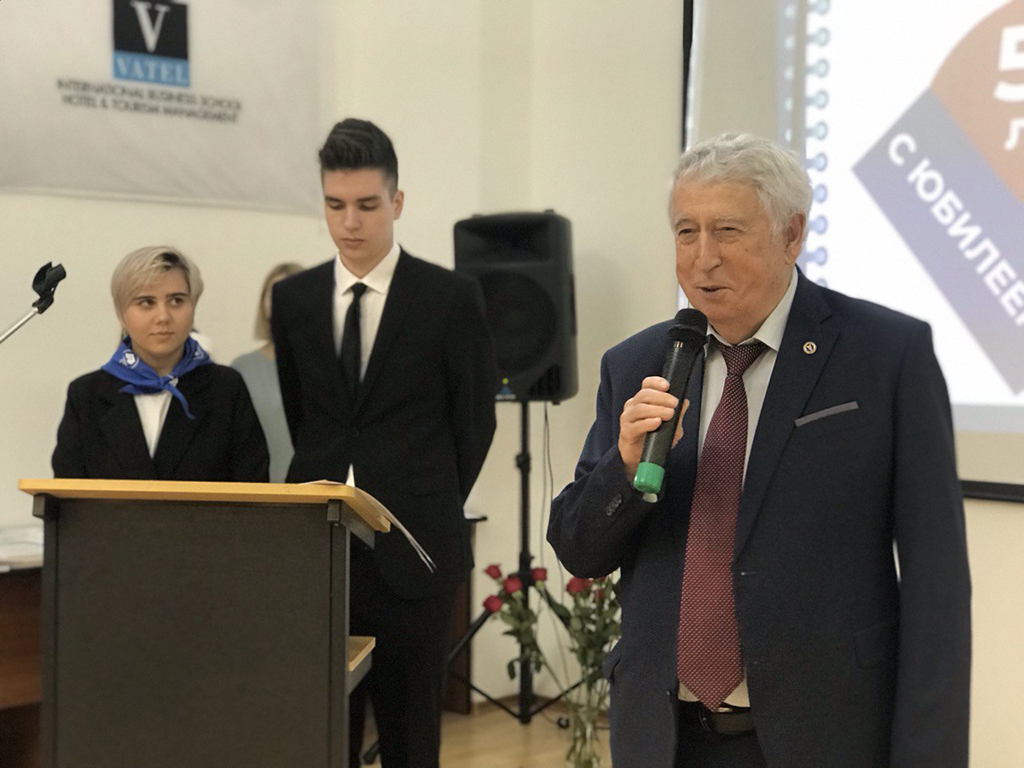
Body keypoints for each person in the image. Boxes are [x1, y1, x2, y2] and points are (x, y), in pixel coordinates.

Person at [548, 134, 970, 768]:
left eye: (727, 231)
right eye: (686, 232)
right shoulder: (639, 364)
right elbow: (580, 551)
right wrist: (625, 468)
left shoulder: (885, 356)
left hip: (824, 734)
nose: (703, 259)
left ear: (791, 234)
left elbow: (938, 586)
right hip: (663, 736)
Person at [271, 118, 497, 768]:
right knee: (322, 738)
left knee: (411, 738)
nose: (350, 222)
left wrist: (422, 491)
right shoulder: (294, 300)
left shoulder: (451, 298)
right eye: (335, 204)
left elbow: (475, 422)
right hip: (317, 549)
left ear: (396, 202)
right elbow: (304, 416)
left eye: (367, 205)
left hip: (415, 546)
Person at [52, 246, 269, 482]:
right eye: (146, 302)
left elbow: (253, 489)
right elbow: (66, 497)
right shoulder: (86, 396)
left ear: (193, 308)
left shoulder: (226, 389)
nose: (163, 316)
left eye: (176, 301)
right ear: (121, 315)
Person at [231, 262, 305, 482]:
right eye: (273, 293)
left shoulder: (324, 368)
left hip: (316, 489)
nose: (281, 300)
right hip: (257, 488)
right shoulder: (242, 369)